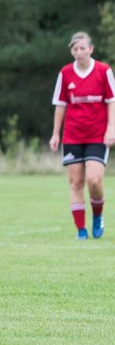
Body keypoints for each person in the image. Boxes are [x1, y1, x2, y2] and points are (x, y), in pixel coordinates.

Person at [49, 31, 115, 239]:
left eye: (82, 48)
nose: (79, 52)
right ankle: (81, 230)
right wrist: (55, 134)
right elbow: (60, 105)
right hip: (73, 136)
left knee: (94, 181)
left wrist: (111, 127)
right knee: (76, 183)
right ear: (71, 51)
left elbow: (112, 100)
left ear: (91, 49)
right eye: (75, 49)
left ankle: (97, 215)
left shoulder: (104, 71)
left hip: (97, 135)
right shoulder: (65, 73)